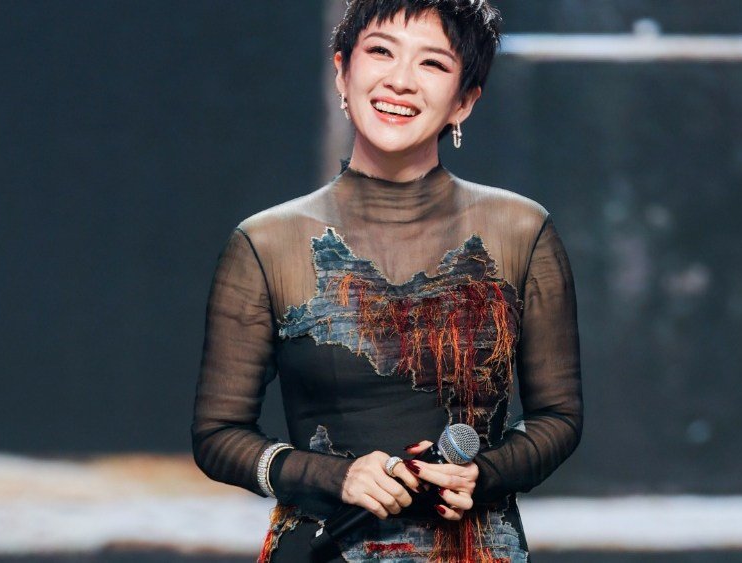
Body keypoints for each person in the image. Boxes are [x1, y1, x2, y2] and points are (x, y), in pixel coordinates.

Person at [190, 1, 582, 561]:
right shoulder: (266, 242)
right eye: (380, 51)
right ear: (341, 70)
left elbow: (559, 417)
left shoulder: (521, 231)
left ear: (465, 101)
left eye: (432, 63)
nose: (400, 81)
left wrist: (484, 474)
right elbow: (218, 434)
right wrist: (336, 476)